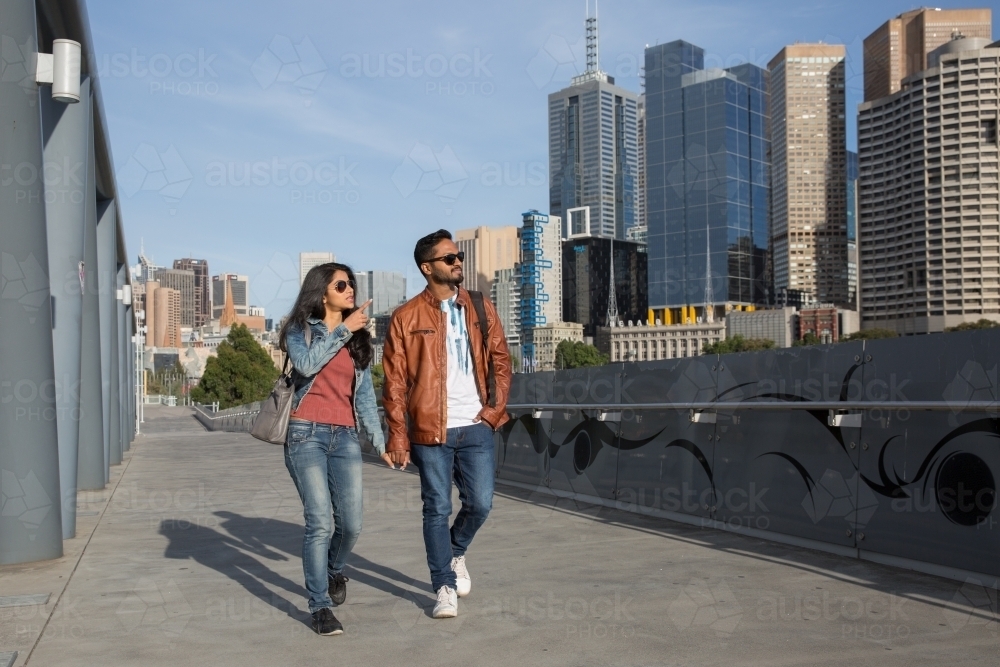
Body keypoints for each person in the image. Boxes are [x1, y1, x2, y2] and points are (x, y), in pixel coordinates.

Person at [381, 229, 512, 619]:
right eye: (449, 259)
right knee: (436, 507)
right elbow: (395, 382)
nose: (458, 264)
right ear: (428, 268)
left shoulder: (481, 307)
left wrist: (492, 412)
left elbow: (502, 363)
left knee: (481, 502)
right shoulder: (406, 317)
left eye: (459, 258)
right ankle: (443, 586)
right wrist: (397, 436)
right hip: (429, 428)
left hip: (476, 425)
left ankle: (455, 551)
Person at [279, 263, 392, 636]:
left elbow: (363, 398)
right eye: (340, 284)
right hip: (305, 434)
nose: (349, 290)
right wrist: (344, 330)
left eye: (351, 284)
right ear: (322, 292)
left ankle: (332, 570)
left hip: (344, 437)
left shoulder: (358, 340)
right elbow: (307, 365)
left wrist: (380, 442)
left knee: (352, 523)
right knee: (320, 522)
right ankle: (320, 606)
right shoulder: (300, 330)